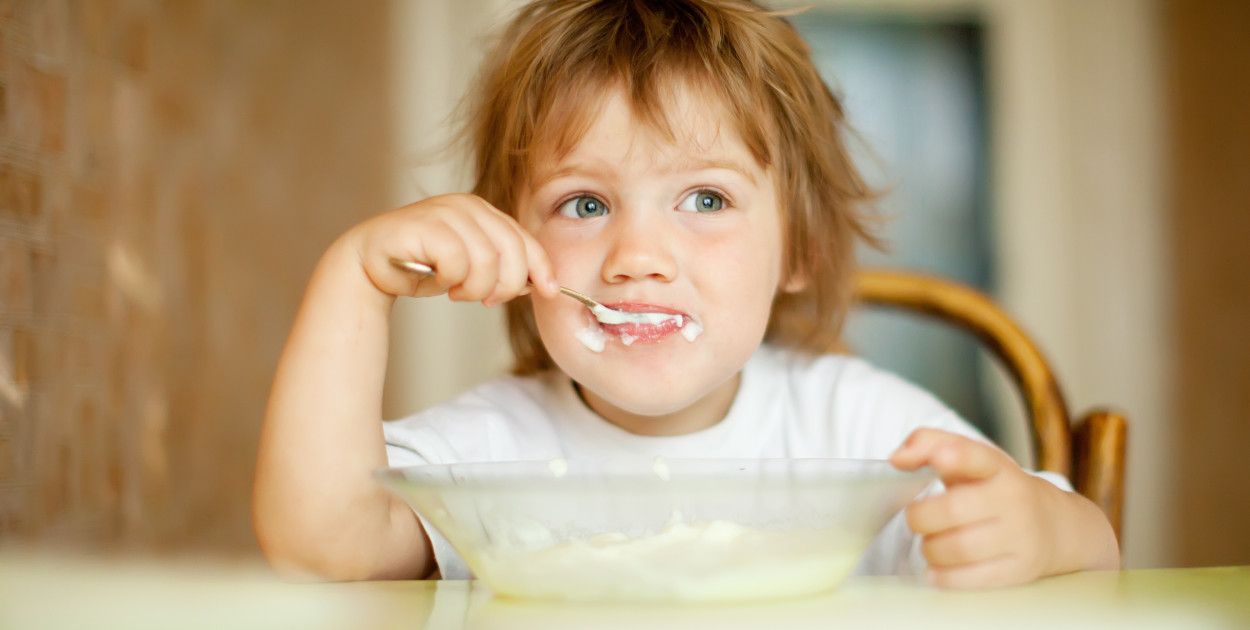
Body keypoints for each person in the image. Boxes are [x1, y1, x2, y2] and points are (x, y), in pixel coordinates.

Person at [252, 0, 1120, 589]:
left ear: (800, 248)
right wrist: (355, 280)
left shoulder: (860, 432)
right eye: (584, 204)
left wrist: (1049, 536)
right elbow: (319, 548)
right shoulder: (493, 452)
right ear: (510, 249)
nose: (638, 256)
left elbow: (1095, 556)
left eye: (705, 200)